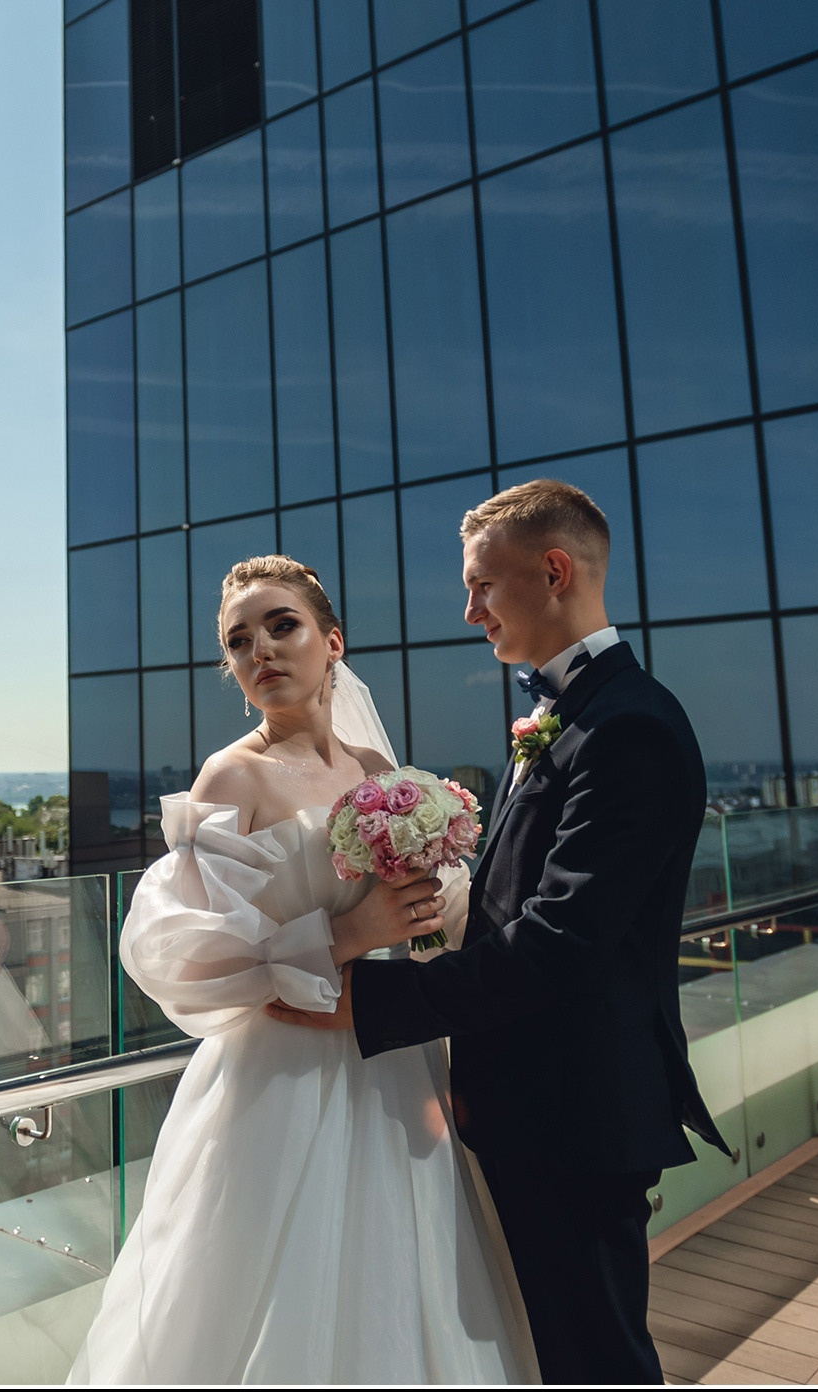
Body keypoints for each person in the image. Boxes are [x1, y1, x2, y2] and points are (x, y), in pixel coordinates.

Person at [272, 480, 728, 1385]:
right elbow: (517, 902)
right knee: (554, 1353)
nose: (470, 609)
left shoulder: (627, 728)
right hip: (536, 1105)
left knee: (595, 1361)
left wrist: (372, 999)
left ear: (554, 572)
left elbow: (560, 942)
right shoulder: (581, 714)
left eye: (483, 584)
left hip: (575, 1115)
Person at [69, 556, 535, 1384]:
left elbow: (440, 917)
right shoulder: (231, 776)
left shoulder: (381, 773)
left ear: (333, 641)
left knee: (407, 1277)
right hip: (281, 1072)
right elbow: (187, 954)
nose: (260, 651)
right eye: (238, 641)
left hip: (394, 1060)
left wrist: (429, 912)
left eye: (281, 626)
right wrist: (350, 931)